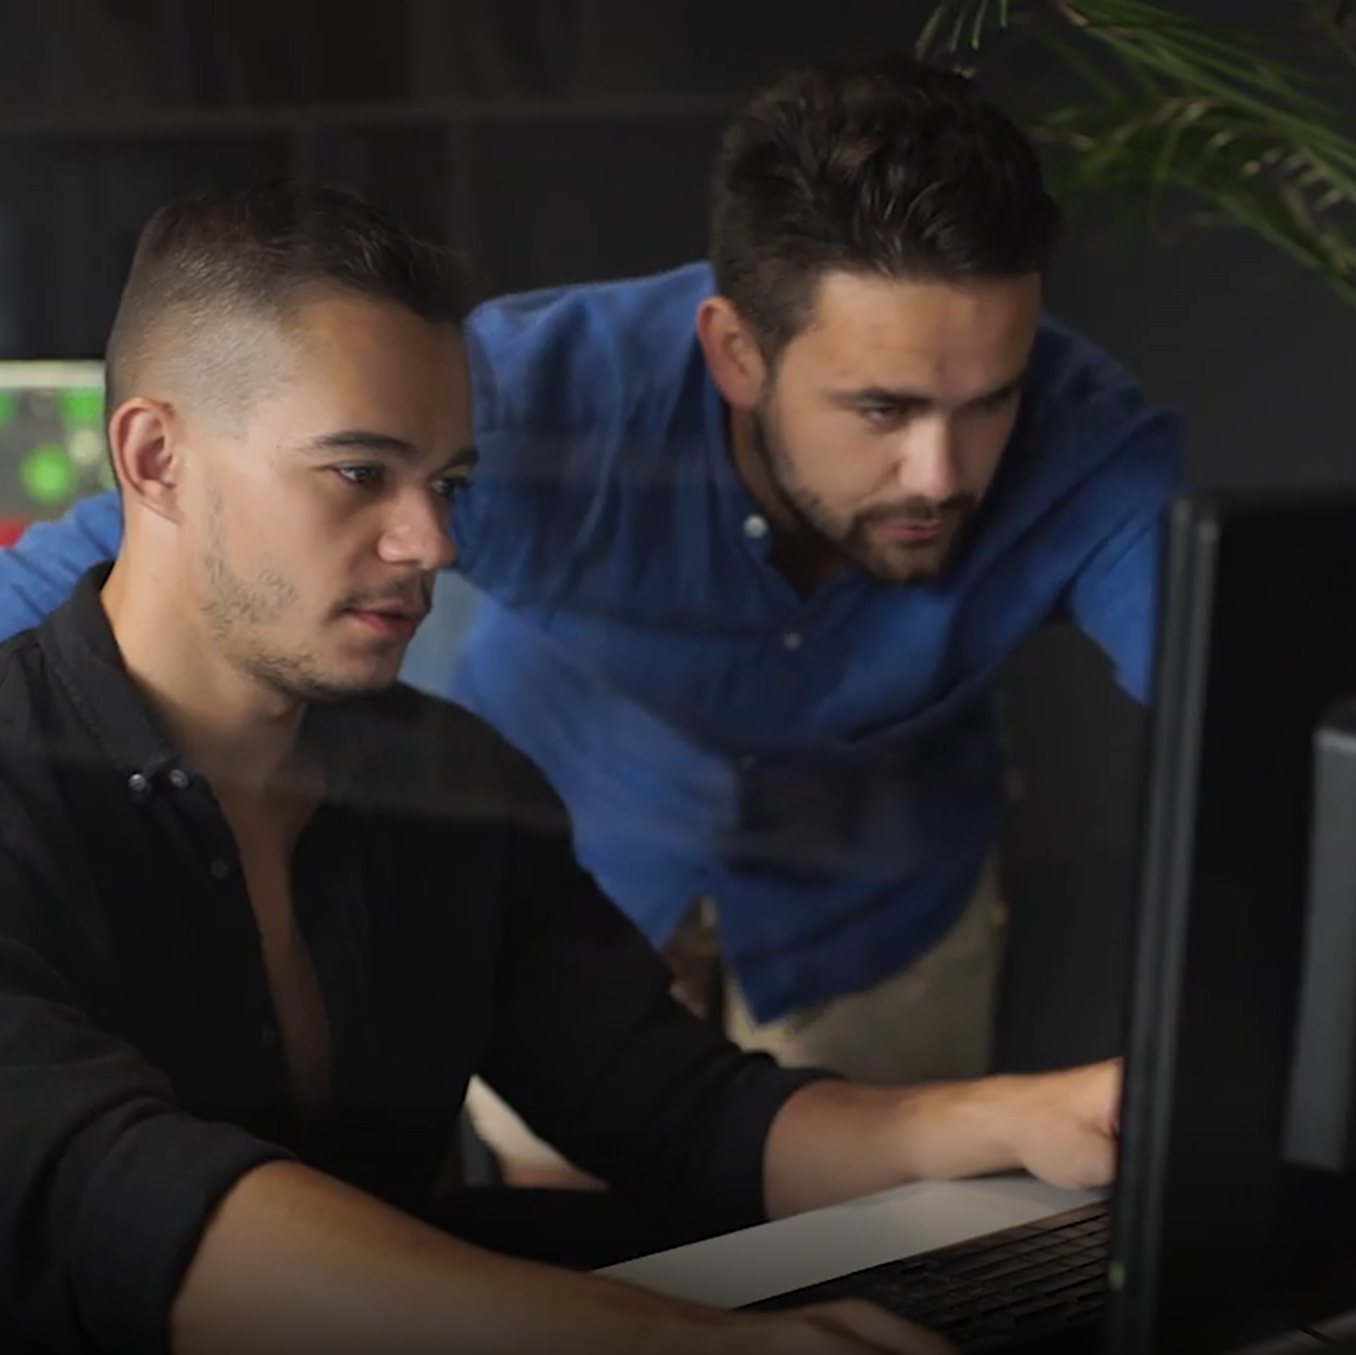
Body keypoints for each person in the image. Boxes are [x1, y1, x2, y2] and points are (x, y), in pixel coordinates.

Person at [0, 52, 1180, 1191]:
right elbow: (136, 534)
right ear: (735, 352)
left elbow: (1237, 694)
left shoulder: (1089, 443)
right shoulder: (524, 392)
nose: (939, 469)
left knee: (896, 1208)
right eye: (881, 406)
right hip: (572, 870)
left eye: (989, 404)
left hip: (871, 892)